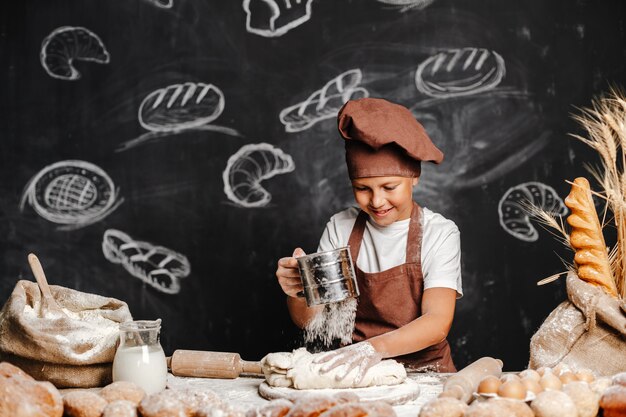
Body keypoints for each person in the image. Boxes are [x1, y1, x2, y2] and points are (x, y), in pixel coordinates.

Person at [275, 97, 462, 383]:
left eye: (389, 187)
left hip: (425, 375)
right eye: (362, 188)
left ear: (414, 177)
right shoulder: (341, 227)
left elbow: (437, 321)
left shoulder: (439, 233)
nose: (377, 201)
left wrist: (372, 349)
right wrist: (299, 292)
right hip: (352, 374)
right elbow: (313, 322)